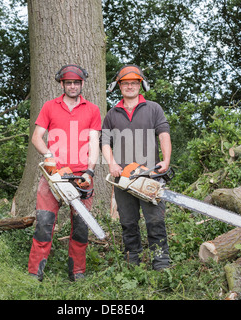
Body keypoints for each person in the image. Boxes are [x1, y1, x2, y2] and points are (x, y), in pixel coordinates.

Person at [28, 64, 101, 281]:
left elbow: (94, 143)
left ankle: (77, 272)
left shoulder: (93, 110)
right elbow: (36, 137)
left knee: (80, 227)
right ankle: (35, 273)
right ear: (62, 84)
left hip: (81, 177)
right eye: (68, 82)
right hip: (54, 176)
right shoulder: (50, 106)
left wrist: (90, 171)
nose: (72, 86)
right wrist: (48, 155)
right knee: (44, 223)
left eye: (76, 83)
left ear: (82, 84)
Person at [101, 64, 172, 270]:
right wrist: (112, 163)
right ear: (119, 86)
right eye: (125, 83)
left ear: (140, 85)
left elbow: (164, 134)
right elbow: (105, 142)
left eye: (134, 83)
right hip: (122, 177)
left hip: (149, 174)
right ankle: (133, 262)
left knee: (155, 221)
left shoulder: (153, 108)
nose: (130, 87)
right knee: (128, 222)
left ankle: (161, 262)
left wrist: (165, 161)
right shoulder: (112, 114)